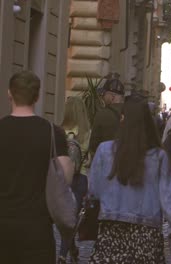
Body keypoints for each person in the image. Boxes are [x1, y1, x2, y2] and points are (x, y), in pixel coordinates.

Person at [88, 99, 171, 263]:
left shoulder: (104, 150)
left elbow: (94, 191)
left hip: (111, 230)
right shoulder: (158, 156)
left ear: (123, 120)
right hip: (147, 233)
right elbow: (168, 199)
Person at [0, 71, 74, 263]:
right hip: (37, 228)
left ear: (10, 94)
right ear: (38, 96)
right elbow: (65, 177)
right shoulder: (52, 132)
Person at [58, 96, 91, 263]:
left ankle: (64, 253)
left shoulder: (59, 131)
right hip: (81, 178)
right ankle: (71, 250)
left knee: (63, 219)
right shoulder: (87, 132)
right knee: (72, 218)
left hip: (62, 179)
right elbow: (88, 160)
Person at [89, 72, 125, 155]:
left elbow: (93, 145)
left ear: (112, 97)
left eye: (104, 94)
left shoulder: (102, 115)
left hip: (106, 161)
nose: (102, 96)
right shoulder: (132, 113)